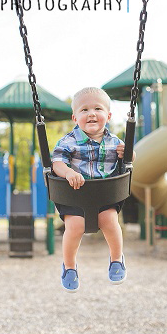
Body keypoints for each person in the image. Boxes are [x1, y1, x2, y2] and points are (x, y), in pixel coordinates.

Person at [51, 87, 126, 291]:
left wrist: (129, 154)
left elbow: (127, 161)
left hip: (104, 195)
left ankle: (117, 259)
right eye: (84, 110)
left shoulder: (115, 142)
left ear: (108, 116)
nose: (91, 113)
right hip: (75, 196)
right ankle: (69, 267)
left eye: (97, 109)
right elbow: (56, 163)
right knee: (74, 227)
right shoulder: (68, 141)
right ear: (75, 118)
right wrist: (68, 173)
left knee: (109, 221)